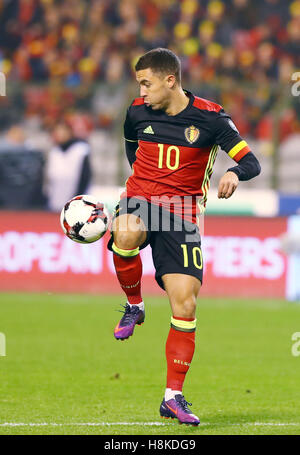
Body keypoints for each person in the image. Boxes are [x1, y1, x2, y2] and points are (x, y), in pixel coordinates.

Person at [107, 48, 261, 426]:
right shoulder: (137, 112)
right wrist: (144, 187)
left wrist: (233, 174)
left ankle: (172, 397)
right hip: (142, 200)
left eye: (147, 83)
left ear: (170, 80)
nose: (142, 92)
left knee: (186, 306)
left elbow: (250, 161)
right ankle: (135, 304)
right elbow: (132, 148)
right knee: (124, 232)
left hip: (183, 215)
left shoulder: (211, 118)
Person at [44, 121, 92, 212]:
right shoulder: (54, 151)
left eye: (63, 131)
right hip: (55, 201)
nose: (60, 134)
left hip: (76, 202)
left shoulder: (81, 149)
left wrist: (77, 199)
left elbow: (85, 175)